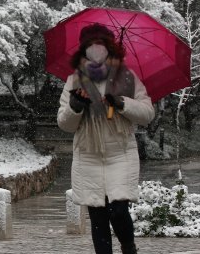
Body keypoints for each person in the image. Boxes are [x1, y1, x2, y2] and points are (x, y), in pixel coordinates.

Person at [57, 23, 155, 254]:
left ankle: (129, 248)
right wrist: (75, 107)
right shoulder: (74, 81)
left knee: (119, 210)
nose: (95, 49)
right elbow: (65, 123)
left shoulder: (128, 78)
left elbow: (147, 114)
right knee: (98, 216)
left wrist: (122, 103)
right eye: (89, 45)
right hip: (88, 155)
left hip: (120, 154)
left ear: (110, 47)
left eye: (99, 44)